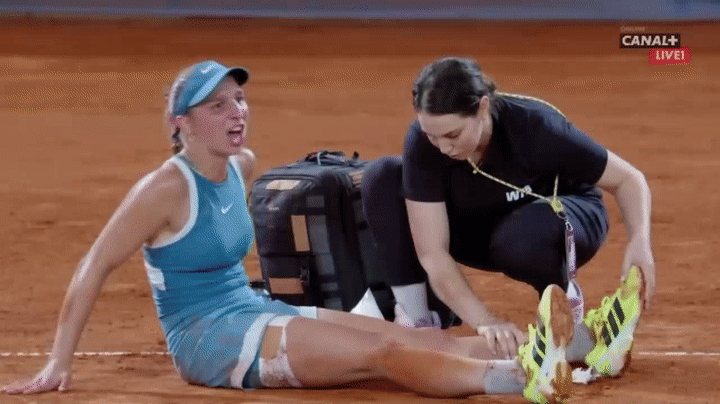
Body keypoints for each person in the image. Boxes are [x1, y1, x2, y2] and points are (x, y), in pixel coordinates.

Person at [1, 60, 579, 403]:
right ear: (182, 124)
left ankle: (559, 349)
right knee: (385, 352)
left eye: (239, 99)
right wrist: (58, 363)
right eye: (216, 106)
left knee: (420, 338)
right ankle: (517, 380)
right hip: (210, 341)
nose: (237, 111)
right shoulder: (164, 189)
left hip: (253, 309)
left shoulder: (241, 165)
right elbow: (95, 265)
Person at [361, 57, 654, 376]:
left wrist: (639, 241)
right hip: (487, 226)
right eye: (432, 136)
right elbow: (432, 252)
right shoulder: (425, 143)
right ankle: (419, 326)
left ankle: (564, 312)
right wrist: (485, 321)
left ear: (483, 108)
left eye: (453, 135)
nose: (443, 147)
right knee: (383, 176)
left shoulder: (536, 125)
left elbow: (628, 179)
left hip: (561, 219)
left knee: (523, 235)